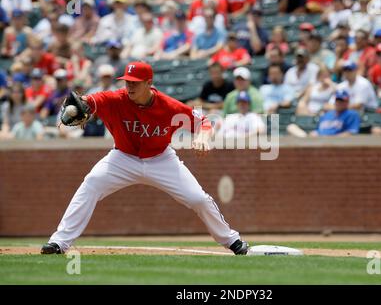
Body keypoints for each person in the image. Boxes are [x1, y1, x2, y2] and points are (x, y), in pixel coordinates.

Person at [40, 60, 249, 256]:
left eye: (135, 83)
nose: (129, 87)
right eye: (127, 82)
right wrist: (81, 104)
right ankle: (59, 242)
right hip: (122, 158)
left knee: (198, 198)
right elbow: (90, 101)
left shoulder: (169, 107)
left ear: (149, 83)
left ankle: (232, 241)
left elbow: (204, 122)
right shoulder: (115, 99)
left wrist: (203, 137)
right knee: (91, 183)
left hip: (161, 159)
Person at [288, 90, 360, 137]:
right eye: (337, 100)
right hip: (317, 142)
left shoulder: (351, 114)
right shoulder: (327, 114)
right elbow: (318, 131)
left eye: (342, 101)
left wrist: (331, 139)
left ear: (347, 102)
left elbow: (350, 133)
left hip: (334, 144)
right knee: (291, 127)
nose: (339, 103)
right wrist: (313, 134)